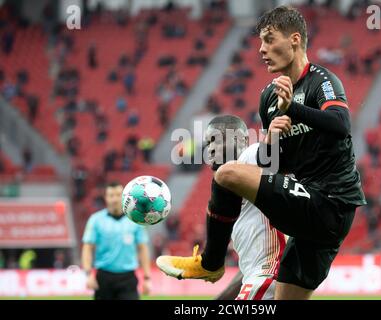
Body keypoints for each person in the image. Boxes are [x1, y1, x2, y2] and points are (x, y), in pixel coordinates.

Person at [156, 6, 366, 300]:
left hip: (331, 201)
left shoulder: (322, 81)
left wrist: (292, 108)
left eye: (269, 40)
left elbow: (341, 125)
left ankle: (210, 263)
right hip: (307, 216)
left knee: (226, 174)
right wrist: (273, 142)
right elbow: (276, 163)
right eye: (260, 42)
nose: (262, 49)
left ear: (294, 39)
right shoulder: (268, 97)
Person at [207, 115, 286, 300]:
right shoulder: (231, 193)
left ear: (239, 139)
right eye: (207, 144)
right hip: (263, 276)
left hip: (270, 275)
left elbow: (270, 155)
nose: (209, 149)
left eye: (214, 140)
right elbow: (249, 267)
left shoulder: (251, 155)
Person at [81, 182, 151, 300]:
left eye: (118, 195)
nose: (115, 199)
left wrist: (147, 278)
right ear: (106, 198)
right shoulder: (96, 220)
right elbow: (87, 247)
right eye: (111, 195)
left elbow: (142, 248)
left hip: (128, 278)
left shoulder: (135, 219)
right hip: (104, 277)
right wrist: (88, 274)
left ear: (125, 197)